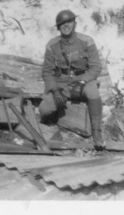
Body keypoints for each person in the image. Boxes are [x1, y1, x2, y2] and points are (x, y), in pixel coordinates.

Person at [39, 9, 105, 150]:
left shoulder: (86, 41)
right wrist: (56, 91)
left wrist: (81, 82)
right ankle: (57, 121)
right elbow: (47, 71)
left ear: (75, 23)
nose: (66, 25)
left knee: (93, 92)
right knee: (44, 109)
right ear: (58, 27)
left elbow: (95, 68)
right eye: (62, 23)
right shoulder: (52, 45)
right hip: (62, 82)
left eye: (69, 22)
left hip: (84, 79)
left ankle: (97, 131)